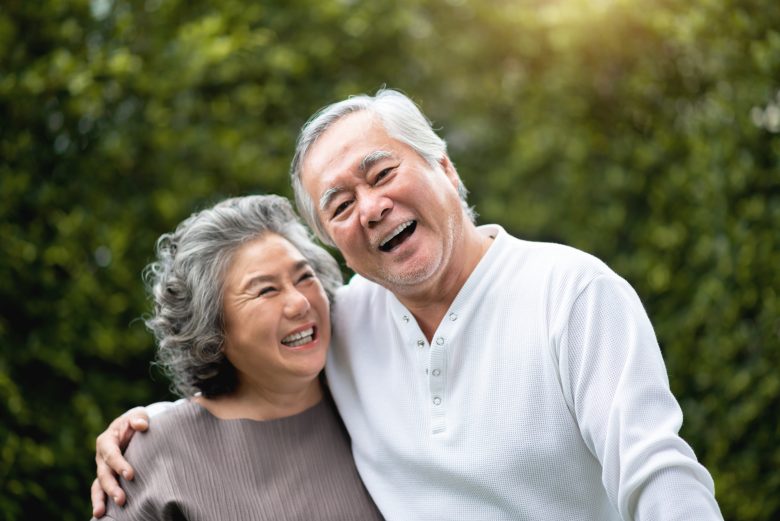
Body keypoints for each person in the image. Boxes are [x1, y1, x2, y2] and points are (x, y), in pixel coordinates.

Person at [93, 90, 723, 520]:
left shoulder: (570, 291)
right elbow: (257, 363)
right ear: (334, 241)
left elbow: (655, 471)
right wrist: (155, 429)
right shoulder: (342, 325)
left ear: (444, 168)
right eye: (339, 205)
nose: (369, 208)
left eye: (382, 172)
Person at [90, 195, 383, 520]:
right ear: (212, 328)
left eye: (304, 277)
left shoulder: (371, 402)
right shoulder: (157, 453)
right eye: (266, 290)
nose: (300, 303)